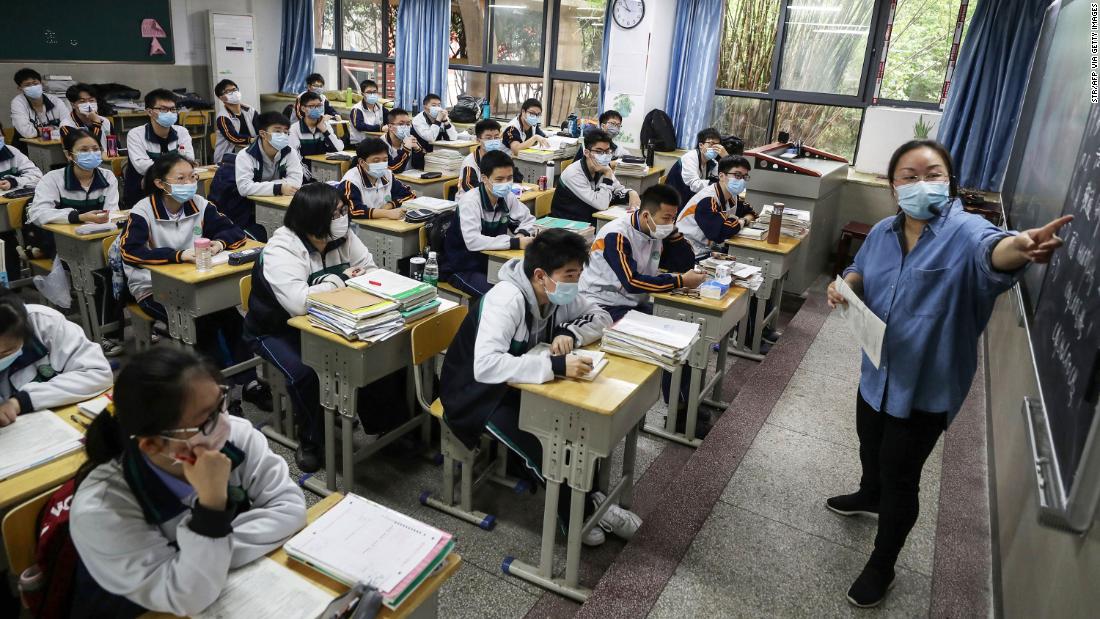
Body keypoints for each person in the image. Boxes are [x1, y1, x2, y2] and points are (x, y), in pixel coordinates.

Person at [824, 140, 1072, 608]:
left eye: (932, 174)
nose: (920, 185)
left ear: (950, 180)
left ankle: (883, 563)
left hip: (926, 388)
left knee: (902, 476)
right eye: (908, 176)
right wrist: (847, 286)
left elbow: (992, 253)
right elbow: (859, 267)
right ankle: (868, 492)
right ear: (893, 185)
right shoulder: (882, 231)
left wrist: (1019, 246)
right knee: (869, 444)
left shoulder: (966, 231)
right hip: (876, 372)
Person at [439, 228, 641, 546]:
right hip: (476, 394)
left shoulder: (556, 292)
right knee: (548, 440)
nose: (576, 283)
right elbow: (487, 366)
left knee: (576, 426)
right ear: (540, 275)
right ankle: (579, 517)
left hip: (521, 384)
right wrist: (556, 365)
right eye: (570, 275)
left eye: (578, 274)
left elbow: (601, 316)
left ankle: (592, 498)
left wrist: (572, 335)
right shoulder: (507, 300)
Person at [69, 347, 307, 617]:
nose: (224, 423)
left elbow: (290, 507)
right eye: (206, 420)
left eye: (221, 403)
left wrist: (205, 556)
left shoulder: (234, 437)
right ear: (152, 444)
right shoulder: (101, 510)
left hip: (224, 594)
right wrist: (212, 507)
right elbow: (188, 595)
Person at [244, 183, 413, 472]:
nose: (343, 217)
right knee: (306, 371)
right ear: (312, 218)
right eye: (335, 213)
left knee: (376, 350)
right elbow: (299, 304)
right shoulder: (282, 248)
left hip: (332, 321)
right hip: (276, 329)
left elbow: (371, 270)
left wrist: (338, 283)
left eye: (343, 210)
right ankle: (311, 439)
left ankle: (386, 427)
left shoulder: (343, 236)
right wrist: (341, 279)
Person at [118, 153, 271, 412]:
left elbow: (233, 231)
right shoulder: (143, 210)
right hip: (153, 287)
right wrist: (178, 256)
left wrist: (219, 243)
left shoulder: (198, 203)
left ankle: (249, 383)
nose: (189, 183)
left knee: (234, 320)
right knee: (204, 324)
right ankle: (220, 392)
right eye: (180, 178)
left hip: (197, 283)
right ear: (160, 183)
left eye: (192, 176)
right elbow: (130, 252)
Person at [578, 184, 708, 435]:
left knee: (684, 331)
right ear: (646, 215)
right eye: (666, 218)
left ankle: (685, 404)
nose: (670, 223)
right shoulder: (616, 234)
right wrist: (680, 281)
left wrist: (674, 234)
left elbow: (685, 263)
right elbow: (632, 280)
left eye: (673, 217)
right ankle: (680, 413)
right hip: (602, 306)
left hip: (633, 303)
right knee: (669, 340)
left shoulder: (656, 231)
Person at [0, 288, 113, 427]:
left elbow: (98, 373)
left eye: (7, 352)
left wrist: (22, 401)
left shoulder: (43, 322)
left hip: (60, 422)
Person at [441, 150, 536, 298]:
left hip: (492, 262)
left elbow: (528, 219)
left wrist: (521, 234)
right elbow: (473, 241)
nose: (505, 183)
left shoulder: (506, 196)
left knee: (528, 289)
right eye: (499, 179)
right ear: (485, 178)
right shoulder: (470, 202)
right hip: (462, 266)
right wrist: (515, 242)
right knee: (499, 298)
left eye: (509, 178)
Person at [207, 111, 303, 241]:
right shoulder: (245, 155)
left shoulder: (289, 152)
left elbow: (296, 182)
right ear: (263, 134)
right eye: (278, 131)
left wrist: (264, 187)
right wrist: (279, 187)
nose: (283, 135)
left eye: (286, 132)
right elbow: (245, 188)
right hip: (242, 209)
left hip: (269, 203)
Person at [550, 129, 639, 224]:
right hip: (567, 224)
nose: (604, 156)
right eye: (599, 151)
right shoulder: (574, 174)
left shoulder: (603, 167)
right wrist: (608, 174)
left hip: (587, 220)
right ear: (587, 153)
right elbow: (602, 204)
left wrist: (631, 193)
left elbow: (617, 189)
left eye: (607, 151)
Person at [123, 89, 195, 207]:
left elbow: (189, 161)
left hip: (175, 191)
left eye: (172, 109)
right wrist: (175, 169)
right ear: (149, 111)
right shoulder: (135, 134)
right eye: (163, 109)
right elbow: (142, 167)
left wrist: (158, 171)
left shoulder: (181, 132)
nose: (169, 113)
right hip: (142, 194)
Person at [676, 155, 757, 260]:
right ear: (722, 176)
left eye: (745, 177)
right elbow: (720, 233)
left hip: (706, 250)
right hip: (687, 251)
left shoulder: (732, 195)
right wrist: (740, 221)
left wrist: (742, 220)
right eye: (737, 175)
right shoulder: (708, 199)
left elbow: (752, 213)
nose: (741, 180)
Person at [339, 137, 414, 220]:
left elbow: (409, 194)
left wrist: (390, 205)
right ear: (362, 162)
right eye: (376, 161)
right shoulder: (351, 181)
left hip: (382, 223)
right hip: (359, 228)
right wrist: (387, 213)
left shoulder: (387, 174)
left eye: (385, 160)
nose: (382, 164)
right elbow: (354, 210)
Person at [457, 119, 522, 197]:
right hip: (472, 201)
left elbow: (516, 177)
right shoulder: (470, 162)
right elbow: (471, 189)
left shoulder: (501, 156)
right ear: (478, 140)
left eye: (496, 137)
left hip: (496, 198)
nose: (493, 141)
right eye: (488, 138)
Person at [665, 128, 728, 206]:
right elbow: (694, 185)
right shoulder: (690, 157)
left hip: (690, 198)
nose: (714, 148)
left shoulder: (712, 162)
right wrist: (718, 185)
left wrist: (726, 157)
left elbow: (722, 177)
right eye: (711, 144)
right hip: (673, 200)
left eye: (717, 145)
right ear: (701, 145)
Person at [289, 91, 344, 180]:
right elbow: (294, 159)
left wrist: (324, 130)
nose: (316, 109)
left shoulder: (325, 125)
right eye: (311, 106)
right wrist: (309, 178)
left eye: (319, 106)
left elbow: (339, 148)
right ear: (303, 108)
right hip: (303, 175)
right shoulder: (295, 129)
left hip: (324, 171)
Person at [9, 68, 69, 143]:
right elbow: (27, 132)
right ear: (20, 88)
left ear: (41, 83)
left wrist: (40, 131)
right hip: (26, 148)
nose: (32, 87)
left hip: (56, 145)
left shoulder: (55, 100)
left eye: (35, 83)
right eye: (27, 85)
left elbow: (68, 126)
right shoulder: (18, 102)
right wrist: (54, 129)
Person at [212, 79, 260, 164]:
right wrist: (252, 140)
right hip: (227, 158)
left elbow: (261, 128)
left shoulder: (250, 111)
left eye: (234, 90)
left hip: (250, 153)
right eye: (228, 91)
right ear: (221, 98)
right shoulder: (223, 117)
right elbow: (233, 138)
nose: (234, 93)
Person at [60, 83, 111, 152]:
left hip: (107, 161)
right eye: (82, 101)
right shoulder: (67, 125)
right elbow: (91, 148)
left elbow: (115, 148)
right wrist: (97, 124)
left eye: (91, 100)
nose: (88, 105)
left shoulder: (105, 121)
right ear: (73, 105)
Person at [382, 107, 425, 173]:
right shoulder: (381, 144)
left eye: (408, 124)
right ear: (390, 127)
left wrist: (418, 150)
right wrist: (406, 149)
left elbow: (421, 166)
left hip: (411, 179)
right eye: (401, 124)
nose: (406, 127)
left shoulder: (411, 138)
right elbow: (392, 169)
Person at [0, 125, 43, 190]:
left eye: (0, 136)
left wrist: (14, 182)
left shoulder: (11, 151)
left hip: (13, 198)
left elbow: (37, 176)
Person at [348, 79, 385, 145]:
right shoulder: (357, 109)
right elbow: (359, 126)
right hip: (359, 143)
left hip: (376, 142)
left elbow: (390, 120)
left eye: (374, 92)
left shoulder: (380, 107)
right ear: (362, 94)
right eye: (369, 92)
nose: (372, 94)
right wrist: (380, 128)